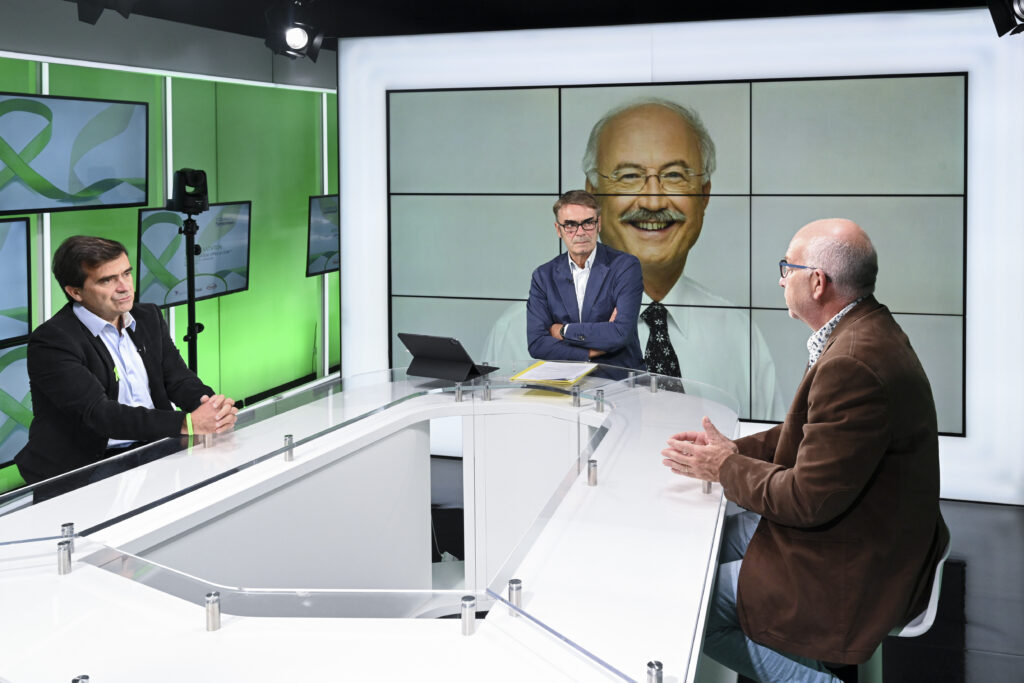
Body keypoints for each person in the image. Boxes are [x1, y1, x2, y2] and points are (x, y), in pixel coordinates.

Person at [661, 219, 949, 682]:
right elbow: (812, 435)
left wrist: (726, 467)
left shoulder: (851, 362)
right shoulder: (865, 329)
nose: (780, 280)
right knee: (709, 546)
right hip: (867, 532)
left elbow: (805, 500)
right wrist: (731, 450)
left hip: (855, 562)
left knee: (693, 604)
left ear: (817, 282)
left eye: (787, 267)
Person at [484, 98, 780, 417]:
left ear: (704, 194)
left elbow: (768, 444)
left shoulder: (739, 335)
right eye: (628, 176)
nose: (653, 202)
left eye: (675, 175)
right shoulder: (518, 333)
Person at [14, 235, 238, 489]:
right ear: (75, 292)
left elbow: (178, 379)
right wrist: (187, 423)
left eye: (126, 274)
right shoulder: (52, 341)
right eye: (107, 280)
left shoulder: (148, 316)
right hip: (89, 464)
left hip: (155, 446)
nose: (124, 287)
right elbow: (100, 414)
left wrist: (210, 407)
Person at [526, 190, 644, 371]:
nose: (580, 232)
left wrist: (562, 331)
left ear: (599, 224)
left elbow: (620, 333)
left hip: (617, 377)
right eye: (570, 225)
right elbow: (537, 344)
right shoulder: (543, 276)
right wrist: (589, 352)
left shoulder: (625, 267)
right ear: (558, 230)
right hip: (564, 378)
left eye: (588, 223)